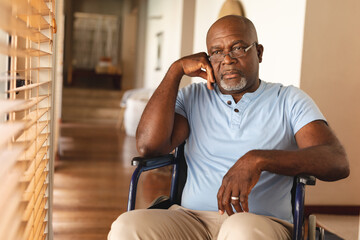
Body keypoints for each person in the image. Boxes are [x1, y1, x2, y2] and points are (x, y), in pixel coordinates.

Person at [108, 15, 349, 240]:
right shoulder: (192, 97)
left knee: (239, 229)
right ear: (207, 59)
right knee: (126, 227)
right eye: (216, 52)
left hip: (261, 221)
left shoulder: (288, 100)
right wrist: (175, 72)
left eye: (237, 47)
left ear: (259, 52)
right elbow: (150, 146)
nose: (227, 59)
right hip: (191, 218)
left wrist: (257, 160)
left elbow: (336, 161)